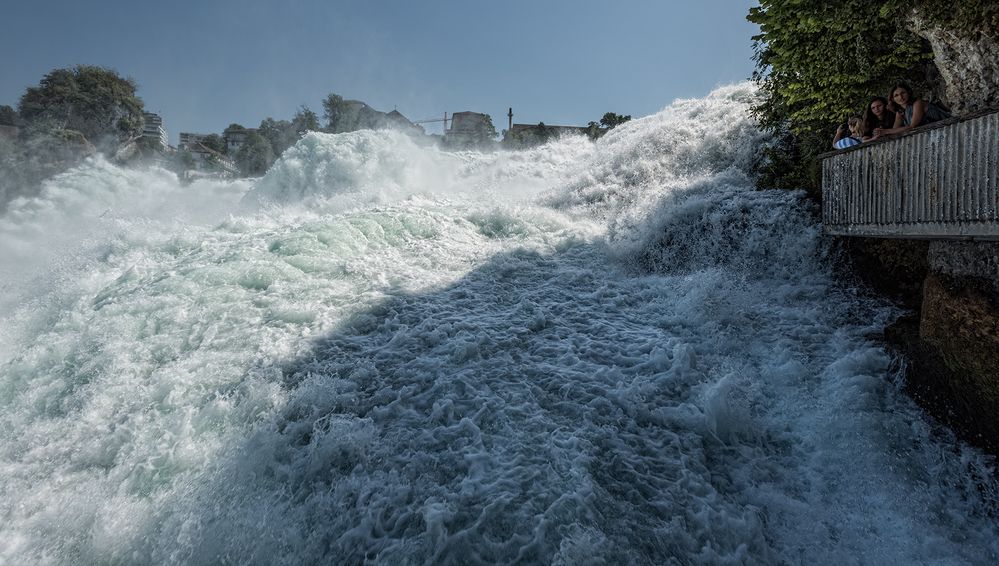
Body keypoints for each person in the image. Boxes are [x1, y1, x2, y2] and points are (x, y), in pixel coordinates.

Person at [876, 82, 951, 136]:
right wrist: (881, 132)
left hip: (949, 128)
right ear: (892, 99)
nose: (901, 97)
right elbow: (894, 130)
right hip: (933, 134)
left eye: (903, 93)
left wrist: (886, 131)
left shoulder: (917, 103)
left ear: (908, 92)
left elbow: (912, 126)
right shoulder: (900, 111)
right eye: (896, 95)